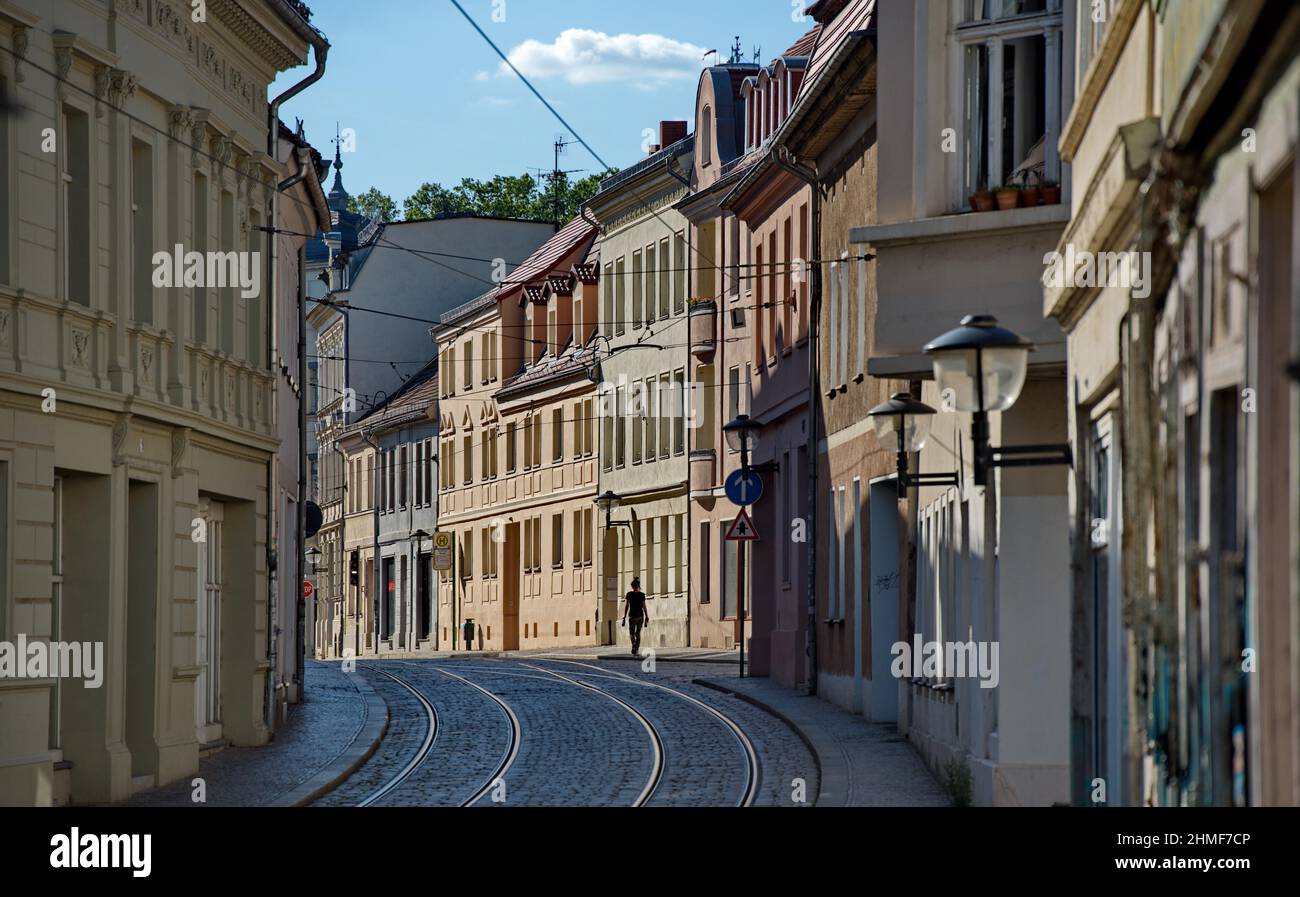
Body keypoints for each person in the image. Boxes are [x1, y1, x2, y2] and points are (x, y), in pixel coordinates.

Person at [622, 578, 649, 656]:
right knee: (638, 633)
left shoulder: (629, 594)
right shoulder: (642, 595)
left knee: (632, 633)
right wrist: (647, 616)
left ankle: (634, 644)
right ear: (638, 586)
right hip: (640, 616)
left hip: (632, 616)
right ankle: (636, 649)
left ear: (632, 586)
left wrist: (624, 616)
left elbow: (627, 606)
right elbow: (644, 606)